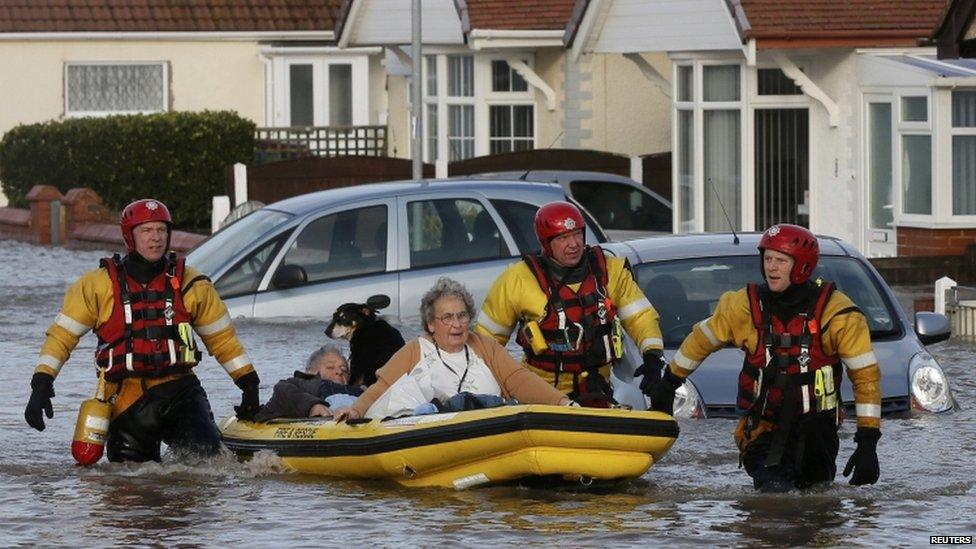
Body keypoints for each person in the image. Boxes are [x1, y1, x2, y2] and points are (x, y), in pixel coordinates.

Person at [646, 224, 882, 491]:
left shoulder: (838, 314)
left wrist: (867, 442)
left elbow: (866, 378)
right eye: (767, 259)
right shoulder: (742, 307)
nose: (772, 267)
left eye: (781, 261)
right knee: (774, 502)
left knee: (817, 509)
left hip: (818, 434)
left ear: (802, 266)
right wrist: (668, 384)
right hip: (762, 432)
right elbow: (700, 341)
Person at [23, 198, 261, 462]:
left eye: (161, 230)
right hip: (127, 402)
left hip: (181, 393)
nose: (156, 238)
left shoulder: (192, 284)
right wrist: (42, 383)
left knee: (208, 470)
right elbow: (61, 338)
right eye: (146, 231)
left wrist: (248, 382)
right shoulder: (96, 286)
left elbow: (223, 340)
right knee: (130, 489)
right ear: (129, 237)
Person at [475, 201, 665, 405]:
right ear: (546, 243)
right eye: (563, 237)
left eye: (577, 234)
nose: (573, 244)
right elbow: (487, 342)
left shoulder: (611, 271)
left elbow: (641, 317)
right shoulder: (517, 279)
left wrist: (653, 355)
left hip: (598, 388)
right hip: (541, 393)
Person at [334, 277, 574, 421]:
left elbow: (519, 379)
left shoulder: (485, 347)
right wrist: (356, 410)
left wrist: (563, 403)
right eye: (447, 317)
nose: (457, 324)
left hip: (492, 427)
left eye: (462, 316)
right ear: (431, 323)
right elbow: (382, 387)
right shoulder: (415, 350)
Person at [254, 344, 364, 421]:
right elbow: (283, 390)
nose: (339, 371)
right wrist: (312, 406)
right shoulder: (302, 383)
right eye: (330, 367)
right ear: (311, 371)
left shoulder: (361, 390)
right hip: (331, 415)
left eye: (344, 369)